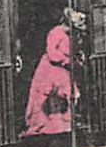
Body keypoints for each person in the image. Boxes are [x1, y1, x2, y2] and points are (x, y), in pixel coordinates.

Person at [23, 8, 84, 137]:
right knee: (46, 97)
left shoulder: (73, 35)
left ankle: (64, 124)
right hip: (50, 69)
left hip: (63, 69)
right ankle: (45, 126)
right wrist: (66, 60)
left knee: (69, 95)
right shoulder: (55, 33)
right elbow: (52, 53)